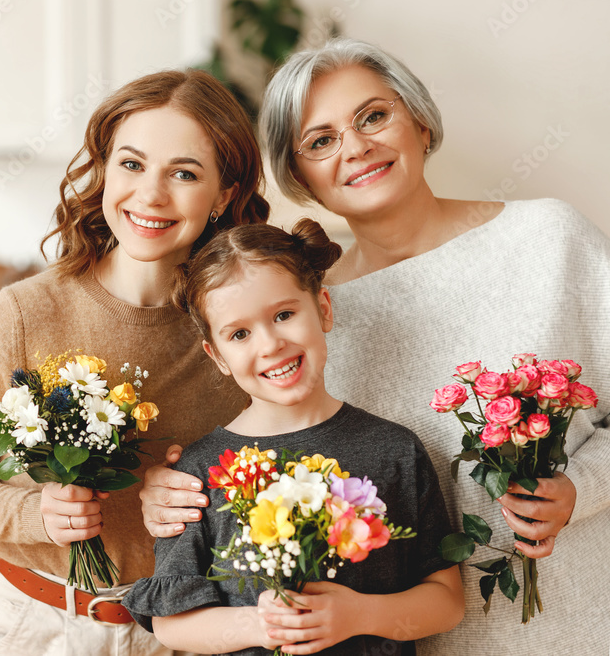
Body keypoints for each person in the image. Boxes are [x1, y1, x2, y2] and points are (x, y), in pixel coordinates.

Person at [139, 38, 610, 653]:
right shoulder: (302, 314)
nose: (356, 148)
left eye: (373, 117)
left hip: (568, 627)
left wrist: (582, 489)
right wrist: (162, 489)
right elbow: (238, 447)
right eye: (320, 141)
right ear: (300, 175)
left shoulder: (551, 241)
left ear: (418, 119)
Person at [0, 68, 269, 654]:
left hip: (183, 631)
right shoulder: (24, 314)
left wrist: (197, 498)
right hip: (33, 625)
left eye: (184, 174)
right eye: (131, 165)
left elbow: (279, 473)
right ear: (105, 170)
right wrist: (39, 514)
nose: (151, 195)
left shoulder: (241, 328)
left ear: (225, 195)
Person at [123, 220, 464, 655]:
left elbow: (447, 602)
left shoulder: (395, 448)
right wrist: (265, 624)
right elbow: (172, 624)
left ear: (323, 308)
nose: (269, 345)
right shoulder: (198, 473)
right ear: (217, 355)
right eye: (239, 334)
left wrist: (358, 615)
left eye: (284, 315)